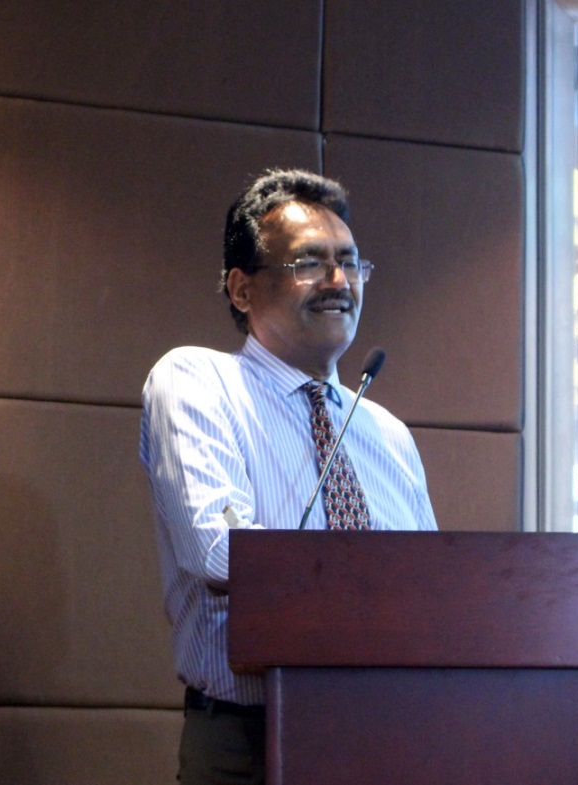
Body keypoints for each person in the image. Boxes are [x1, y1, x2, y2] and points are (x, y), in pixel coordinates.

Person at [140, 169, 438, 785]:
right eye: (309, 263)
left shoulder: (387, 434)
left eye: (350, 263)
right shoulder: (198, 382)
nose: (339, 282)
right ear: (242, 289)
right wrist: (371, 584)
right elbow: (221, 554)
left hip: (386, 735)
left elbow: (431, 590)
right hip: (251, 738)